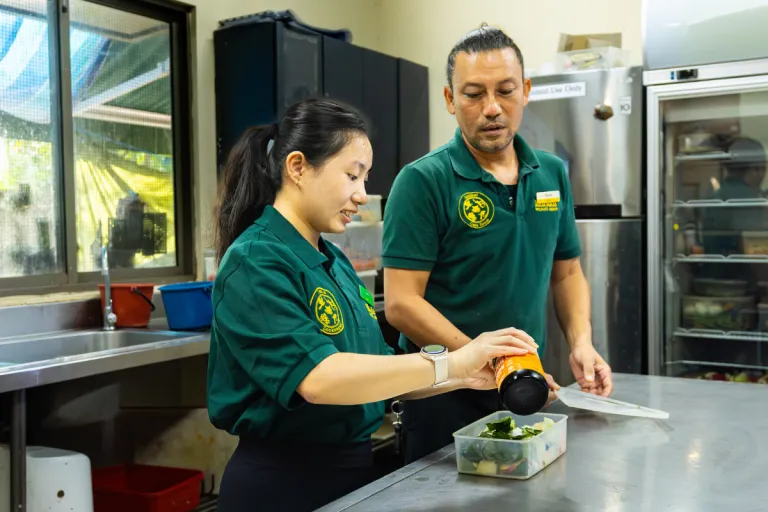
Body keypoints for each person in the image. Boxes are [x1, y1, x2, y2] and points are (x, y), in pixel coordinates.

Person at [207, 98, 539, 512]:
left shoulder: (333, 261)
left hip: (350, 475)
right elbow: (319, 379)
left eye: (364, 178)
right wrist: (454, 360)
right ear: (297, 167)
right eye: (352, 175)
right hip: (282, 484)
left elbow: (379, 368)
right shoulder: (256, 260)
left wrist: (465, 374)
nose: (362, 195)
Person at [382, 26, 614, 464]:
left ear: (525, 91)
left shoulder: (551, 174)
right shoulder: (422, 181)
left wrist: (581, 342)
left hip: (524, 387)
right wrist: (477, 359)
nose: (492, 108)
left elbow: (567, 272)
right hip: (442, 393)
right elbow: (401, 303)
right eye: (473, 94)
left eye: (506, 91)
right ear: (450, 100)